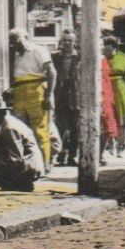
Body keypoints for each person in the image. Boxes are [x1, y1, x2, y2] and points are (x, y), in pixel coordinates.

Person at [0, 94, 46, 191]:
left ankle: (17, 184)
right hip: (25, 165)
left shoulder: (9, 128)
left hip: (27, 169)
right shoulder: (6, 123)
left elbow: (14, 159)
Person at [8, 30, 54, 163]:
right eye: (12, 41)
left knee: (39, 130)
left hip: (36, 91)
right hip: (19, 93)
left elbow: (52, 73)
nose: (14, 44)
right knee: (20, 129)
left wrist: (48, 95)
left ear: (26, 37)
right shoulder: (14, 54)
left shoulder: (38, 50)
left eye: (17, 40)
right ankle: (28, 164)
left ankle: (44, 164)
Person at [51, 29, 82, 166]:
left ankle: (72, 156)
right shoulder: (55, 57)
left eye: (70, 40)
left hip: (76, 97)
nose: (67, 43)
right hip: (60, 96)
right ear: (61, 42)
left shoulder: (80, 57)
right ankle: (61, 154)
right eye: (64, 40)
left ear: (74, 42)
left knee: (75, 128)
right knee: (61, 127)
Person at [104, 34, 125, 155]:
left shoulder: (124, 59)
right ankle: (111, 144)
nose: (107, 51)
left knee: (120, 117)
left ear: (115, 48)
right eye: (105, 48)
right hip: (106, 87)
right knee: (108, 116)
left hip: (120, 88)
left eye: (109, 49)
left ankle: (121, 145)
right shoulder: (102, 59)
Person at [99, 46, 120, 154]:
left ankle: (101, 153)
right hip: (90, 96)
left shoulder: (103, 60)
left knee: (107, 125)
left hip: (104, 95)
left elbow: (107, 79)